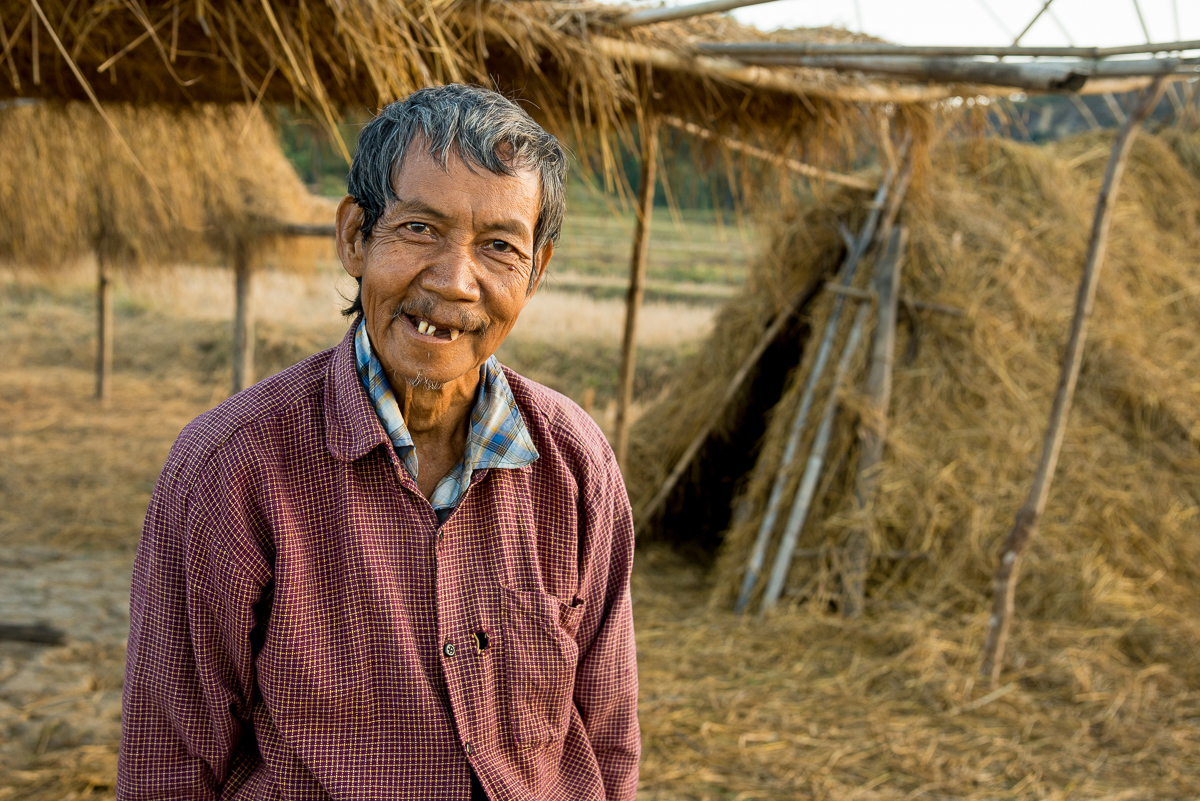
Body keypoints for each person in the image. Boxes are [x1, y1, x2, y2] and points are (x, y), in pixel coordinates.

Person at [117, 84, 640, 801]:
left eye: (498, 246)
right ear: (355, 237)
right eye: (421, 229)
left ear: (536, 270)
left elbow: (607, 739)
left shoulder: (575, 464)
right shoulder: (230, 470)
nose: (456, 282)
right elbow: (169, 766)